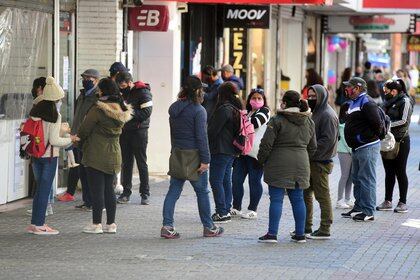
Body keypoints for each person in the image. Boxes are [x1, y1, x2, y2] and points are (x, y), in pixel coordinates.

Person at [161, 76, 224, 239]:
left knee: (173, 191)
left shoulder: (174, 108)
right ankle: (209, 227)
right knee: (202, 192)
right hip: (194, 155)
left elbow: (172, 134)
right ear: (197, 91)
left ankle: (167, 226)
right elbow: (201, 137)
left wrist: (174, 152)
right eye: (201, 89)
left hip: (177, 152)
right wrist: (206, 160)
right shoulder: (199, 110)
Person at [257, 90, 317, 243]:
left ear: (284, 102)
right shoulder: (309, 121)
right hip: (301, 163)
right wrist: (304, 158)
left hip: (278, 163)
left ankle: (272, 234)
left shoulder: (277, 120)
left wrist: (261, 160)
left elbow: (266, 144)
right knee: (298, 199)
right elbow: (313, 146)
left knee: (276, 199)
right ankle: (300, 234)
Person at [77, 78, 132, 234]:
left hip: (96, 152)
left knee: (97, 190)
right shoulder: (122, 110)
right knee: (109, 189)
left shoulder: (98, 109)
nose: (97, 92)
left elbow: (84, 130)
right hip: (114, 152)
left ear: (103, 91)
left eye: (99, 89)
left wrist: (78, 140)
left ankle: (96, 224)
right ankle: (111, 224)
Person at [26, 77, 75, 235]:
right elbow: (54, 140)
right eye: (60, 99)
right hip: (48, 156)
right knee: (44, 190)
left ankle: (35, 223)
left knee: (39, 189)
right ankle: (39, 224)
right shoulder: (55, 115)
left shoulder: (35, 110)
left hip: (35, 154)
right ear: (56, 99)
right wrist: (71, 139)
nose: (61, 101)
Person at [341, 77, 382, 222]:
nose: (347, 89)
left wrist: (363, 138)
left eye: (349, 87)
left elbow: (377, 124)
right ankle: (359, 207)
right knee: (357, 178)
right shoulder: (354, 102)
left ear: (357, 88)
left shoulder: (367, 102)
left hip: (367, 146)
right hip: (357, 147)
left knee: (366, 179)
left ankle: (368, 210)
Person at [305, 85, 338, 239]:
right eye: (309, 95)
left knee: (322, 195)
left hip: (320, 162)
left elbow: (328, 140)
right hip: (311, 160)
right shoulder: (317, 112)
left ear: (321, 96)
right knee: (306, 194)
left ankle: (325, 228)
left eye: (314, 96)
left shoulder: (327, 114)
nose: (310, 98)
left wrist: (311, 151)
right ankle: (306, 227)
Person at [231, 88, 270, 220]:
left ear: (264, 101)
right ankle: (236, 207)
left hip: (256, 154)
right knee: (236, 180)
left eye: (260, 98)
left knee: (254, 181)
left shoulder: (265, 112)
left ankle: (253, 209)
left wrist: (240, 119)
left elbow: (254, 123)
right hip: (242, 152)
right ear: (249, 100)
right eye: (254, 98)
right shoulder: (246, 112)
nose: (256, 100)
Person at [376, 79, 413, 213]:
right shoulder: (387, 102)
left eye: (389, 91)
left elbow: (404, 121)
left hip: (401, 141)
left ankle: (402, 202)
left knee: (400, 171)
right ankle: (388, 201)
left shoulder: (405, 101)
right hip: (387, 141)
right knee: (389, 172)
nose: (387, 93)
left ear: (396, 91)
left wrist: (387, 125)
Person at [116, 72, 152, 205]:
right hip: (125, 132)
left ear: (130, 82)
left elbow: (147, 112)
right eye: (120, 86)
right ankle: (126, 192)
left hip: (139, 132)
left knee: (141, 162)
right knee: (126, 162)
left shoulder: (143, 92)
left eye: (124, 85)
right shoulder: (121, 93)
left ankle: (145, 193)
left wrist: (128, 113)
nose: (122, 88)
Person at [208, 81, 242, 223]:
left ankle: (222, 212)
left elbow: (212, 131)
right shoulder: (236, 108)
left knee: (216, 180)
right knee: (225, 180)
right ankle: (226, 209)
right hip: (232, 151)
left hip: (221, 150)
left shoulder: (224, 109)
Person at [69, 69, 100, 210]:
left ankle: (94, 202)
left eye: (89, 78)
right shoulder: (82, 95)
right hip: (77, 138)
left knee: (90, 172)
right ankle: (87, 201)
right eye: (84, 77)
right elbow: (77, 116)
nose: (86, 80)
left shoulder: (97, 97)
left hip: (89, 140)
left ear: (96, 80)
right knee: (82, 171)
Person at [336, 102, 353, 209]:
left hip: (351, 151)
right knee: (344, 175)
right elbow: (346, 139)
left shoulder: (350, 121)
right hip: (344, 151)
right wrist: (352, 150)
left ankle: (347, 198)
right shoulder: (342, 123)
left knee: (350, 176)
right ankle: (339, 200)